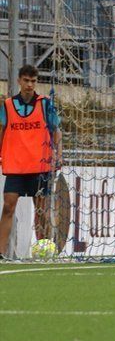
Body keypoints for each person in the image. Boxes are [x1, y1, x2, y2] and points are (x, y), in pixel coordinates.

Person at [0, 65, 62, 259]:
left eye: (33, 81)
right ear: (19, 81)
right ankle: (0, 252)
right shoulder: (7, 105)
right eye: (26, 80)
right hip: (16, 164)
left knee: (42, 210)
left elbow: (56, 130)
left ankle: (45, 251)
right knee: (8, 207)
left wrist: (58, 155)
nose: (29, 85)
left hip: (40, 165)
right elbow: (2, 131)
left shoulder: (45, 104)